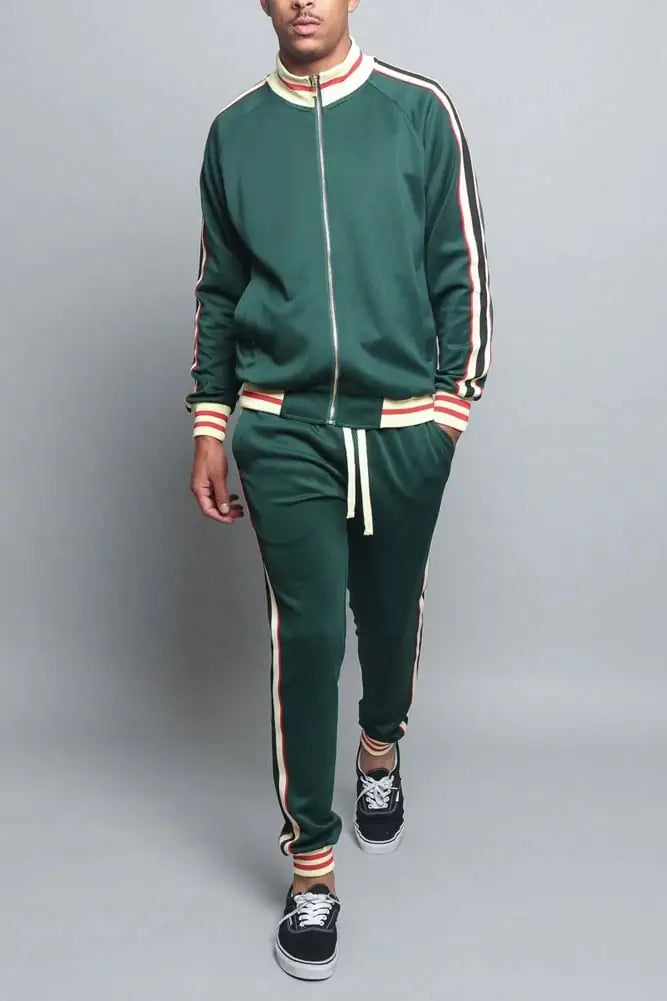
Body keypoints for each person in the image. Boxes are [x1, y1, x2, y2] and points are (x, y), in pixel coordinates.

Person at [186, 0, 493, 981]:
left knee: (388, 617)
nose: (303, 1)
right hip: (281, 429)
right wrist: (211, 419)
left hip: (402, 428)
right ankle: (311, 865)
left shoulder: (417, 112)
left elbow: (458, 264)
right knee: (308, 634)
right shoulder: (235, 133)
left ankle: (380, 747)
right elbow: (218, 288)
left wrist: (450, 405)